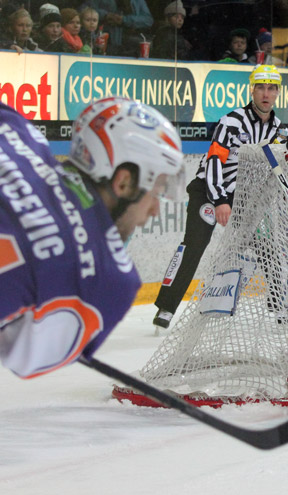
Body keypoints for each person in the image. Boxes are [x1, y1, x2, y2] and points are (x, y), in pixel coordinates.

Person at [0, 97, 184, 378]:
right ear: (123, 181)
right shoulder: (110, 278)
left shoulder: (17, 133)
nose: (156, 209)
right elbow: (28, 360)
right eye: (156, 191)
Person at [152, 65, 283, 330]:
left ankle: (279, 305)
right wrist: (220, 200)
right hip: (208, 191)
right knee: (194, 245)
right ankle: (166, 307)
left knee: (267, 246)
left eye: (271, 88)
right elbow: (214, 161)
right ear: (252, 90)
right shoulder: (231, 121)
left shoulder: (279, 130)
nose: (265, 93)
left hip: (244, 199)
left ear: (278, 93)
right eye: (260, 87)